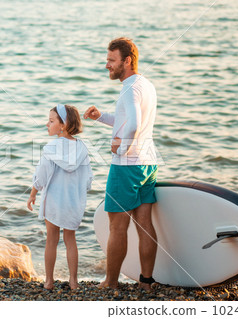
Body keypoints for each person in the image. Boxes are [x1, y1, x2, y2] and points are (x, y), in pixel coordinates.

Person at [84, 37, 159, 290]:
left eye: (111, 60)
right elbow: (128, 119)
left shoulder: (129, 87)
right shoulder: (145, 85)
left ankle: (111, 282)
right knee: (145, 225)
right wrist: (101, 117)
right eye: (107, 60)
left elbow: (134, 125)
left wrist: (121, 146)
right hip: (148, 163)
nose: (107, 65)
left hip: (127, 166)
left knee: (117, 226)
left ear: (127, 60)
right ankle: (146, 281)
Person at [27, 104, 93, 290]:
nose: (46, 124)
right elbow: (88, 178)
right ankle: (73, 281)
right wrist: (79, 191)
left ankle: (49, 281)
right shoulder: (82, 147)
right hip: (73, 201)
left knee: (51, 240)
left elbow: (41, 175)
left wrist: (33, 193)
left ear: (64, 125)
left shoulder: (51, 147)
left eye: (51, 121)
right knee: (70, 239)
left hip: (55, 200)